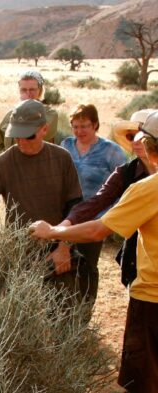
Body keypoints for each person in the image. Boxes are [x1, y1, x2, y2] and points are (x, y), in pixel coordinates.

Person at [29, 111, 158, 393]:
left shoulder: (148, 187)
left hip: (152, 298)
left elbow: (99, 230)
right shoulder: (130, 175)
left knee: (150, 384)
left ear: (147, 145)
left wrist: (54, 233)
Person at [0, 99, 84, 295]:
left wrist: (64, 245)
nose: (21, 141)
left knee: (62, 312)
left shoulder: (62, 158)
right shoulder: (4, 162)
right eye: (16, 136)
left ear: (44, 129)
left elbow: (75, 205)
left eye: (28, 136)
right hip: (20, 250)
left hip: (58, 249)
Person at [59, 104, 127, 305]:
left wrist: (112, 215)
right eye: (75, 126)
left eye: (85, 126)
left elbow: (123, 184)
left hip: (95, 218)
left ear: (95, 125)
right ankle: (66, 309)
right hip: (66, 215)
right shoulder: (66, 145)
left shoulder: (110, 151)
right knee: (64, 262)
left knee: (87, 265)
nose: (79, 131)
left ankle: (85, 309)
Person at [0, 70, 58, 157]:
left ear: (40, 90)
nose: (28, 93)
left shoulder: (50, 114)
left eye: (32, 90)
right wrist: (4, 160)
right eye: (24, 90)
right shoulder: (10, 114)